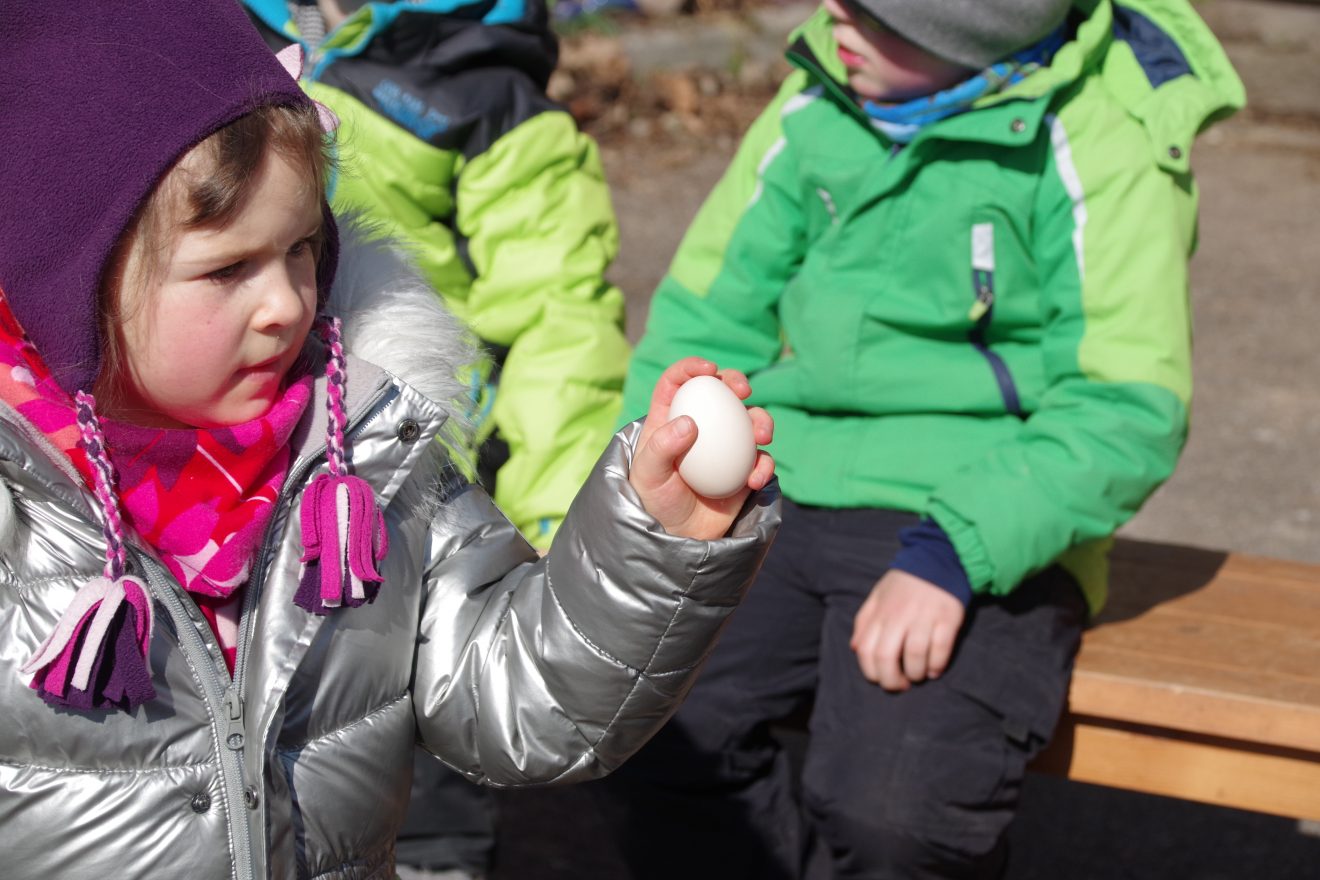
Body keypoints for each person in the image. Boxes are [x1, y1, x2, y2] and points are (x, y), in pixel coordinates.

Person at [0, 4, 779, 879]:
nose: (288, 303)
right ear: (70, 278)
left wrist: (654, 539)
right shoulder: (18, 510)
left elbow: (520, 697)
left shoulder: (360, 453)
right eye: (227, 268)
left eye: (301, 248)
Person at [595, 0, 1244, 877]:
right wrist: (640, 490)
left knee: (894, 813)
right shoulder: (814, 106)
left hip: (974, 517)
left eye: (873, 9)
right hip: (788, 479)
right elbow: (706, 317)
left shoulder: (1100, 142)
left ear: (970, 28)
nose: (833, 13)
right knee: (647, 724)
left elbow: (1126, 402)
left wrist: (955, 550)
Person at [236, 5, 630, 872]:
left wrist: (560, 523)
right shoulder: (295, 43)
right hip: (282, 448)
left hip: (409, 464)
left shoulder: (495, 106)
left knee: (408, 726)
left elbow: (561, 329)